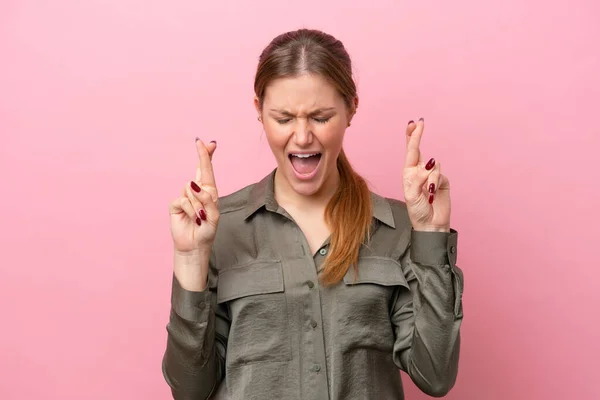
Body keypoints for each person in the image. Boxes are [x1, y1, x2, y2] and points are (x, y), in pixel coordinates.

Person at [162, 28, 464, 400]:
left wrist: (431, 237)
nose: (302, 137)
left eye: (320, 117)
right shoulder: (218, 229)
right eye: (284, 118)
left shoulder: (398, 227)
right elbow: (190, 391)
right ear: (259, 111)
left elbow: (435, 376)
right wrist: (191, 259)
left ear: (351, 108)